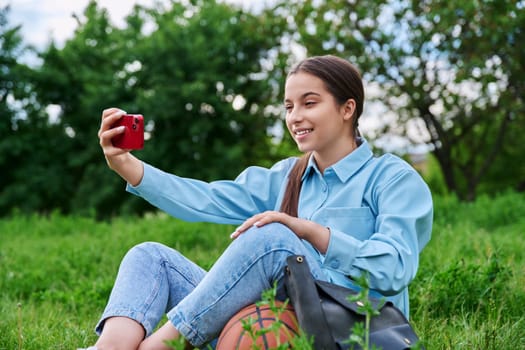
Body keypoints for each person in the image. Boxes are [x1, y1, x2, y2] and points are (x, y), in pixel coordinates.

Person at [85, 55, 433, 350]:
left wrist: (309, 232)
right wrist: (126, 165)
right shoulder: (285, 176)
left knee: (274, 236)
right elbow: (206, 199)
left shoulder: (392, 178)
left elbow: (394, 269)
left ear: (347, 108)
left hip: (352, 332)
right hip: (271, 326)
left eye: (309, 103)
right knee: (151, 258)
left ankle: (160, 346)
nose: (295, 116)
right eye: (288, 106)